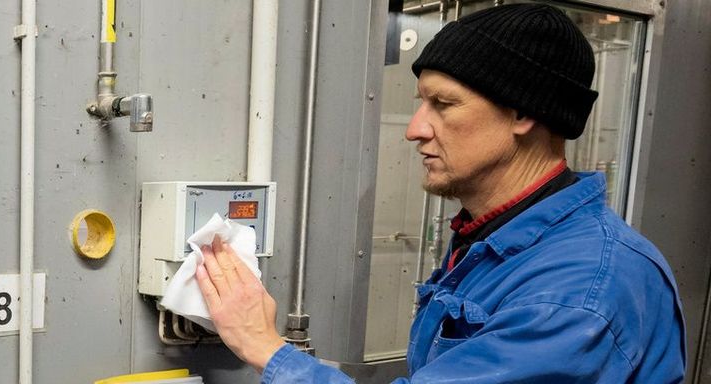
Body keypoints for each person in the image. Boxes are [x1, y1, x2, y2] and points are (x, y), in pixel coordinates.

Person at [194, 4, 685, 382]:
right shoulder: (496, 242)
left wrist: (265, 347)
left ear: (522, 113)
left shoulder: (576, 292)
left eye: (444, 104)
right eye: (420, 102)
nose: (414, 129)